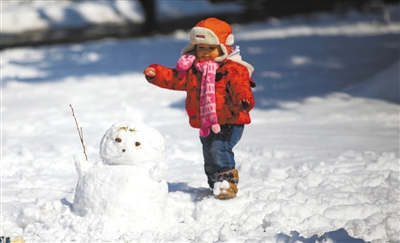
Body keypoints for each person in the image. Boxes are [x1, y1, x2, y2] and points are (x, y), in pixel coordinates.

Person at [143, 17, 255, 199]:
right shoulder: (194, 71)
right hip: (207, 122)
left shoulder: (232, 69)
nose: (205, 53)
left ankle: (226, 184)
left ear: (222, 48)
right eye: (201, 48)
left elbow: (240, 86)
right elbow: (174, 78)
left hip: (231, 119)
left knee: (220, 148)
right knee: (209, 155)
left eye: (211, 49)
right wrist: (156, 74)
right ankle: (215, 184)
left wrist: (244, 100)